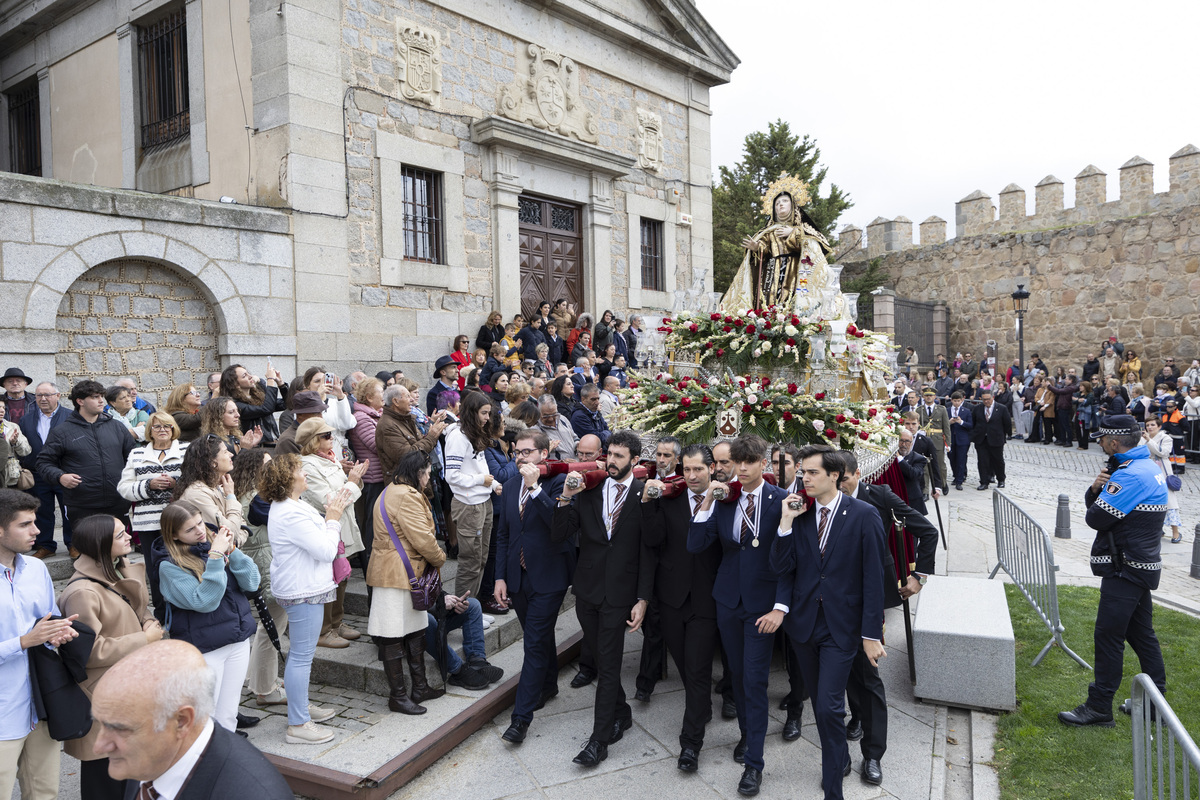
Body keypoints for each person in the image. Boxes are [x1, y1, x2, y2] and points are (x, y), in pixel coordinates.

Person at [774, 444, 885, 800]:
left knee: (827, 706)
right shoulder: (799, 513)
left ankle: (833, 791)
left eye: (811, 472)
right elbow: (780, 567)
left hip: (842, 628)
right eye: (803, 472)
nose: (803, 478)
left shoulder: (864, 515)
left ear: (834, 476)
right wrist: (786, 522)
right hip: (805, 627)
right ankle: (839, 757)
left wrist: (870, 633)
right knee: (824, 706)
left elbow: (873, 579)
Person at [688, 435, 792, 797]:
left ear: (764, 462)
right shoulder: (725, 499)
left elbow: (790, 561)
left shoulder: (781, 501)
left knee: (754, 679)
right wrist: (705, 502)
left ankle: (754, 765)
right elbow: (696, 544)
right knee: (736, 674)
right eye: (737, 462)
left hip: (763, 606)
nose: (743, 468)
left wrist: (781, 606)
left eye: (750, 461)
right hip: (729, 600)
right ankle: (749, 735)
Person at [835, 451, 937, 787]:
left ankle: (873, 755)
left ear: (858, 473)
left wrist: (918, 575)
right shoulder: (821, 500)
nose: (839, 486)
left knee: (869, 674)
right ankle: (858, 715)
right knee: (847, 668)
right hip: (836, 601)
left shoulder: (878, 496)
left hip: (871, 601)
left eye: (845, 479)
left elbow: (927, 530)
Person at [1059, 416, 1168, 729]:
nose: (1099, 443)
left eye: (1103, 438)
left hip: (1126, 568)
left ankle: (1099, 707)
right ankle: (1154, 703)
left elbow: (1097, 518)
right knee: (1141, 634)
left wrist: (1097, 491)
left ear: (1115, 443)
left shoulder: (1131, 474)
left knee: (1108, 636)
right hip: (1139, 565)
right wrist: (1098, 489)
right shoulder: (1146, 465)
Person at [553, 430, 651, 767]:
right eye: (609, 454)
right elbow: (561, 533)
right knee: (601, 657)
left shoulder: (643, 495)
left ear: (635, 461)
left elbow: (649, 553)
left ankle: (599, 740)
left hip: (620, 594)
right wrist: (566, 496)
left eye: (620, 456)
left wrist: (642, 599)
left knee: (608, 667)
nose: (611, 461)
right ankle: (621, 713)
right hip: (588, 589)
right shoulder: (591, 491)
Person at [89, 640, 294, 799]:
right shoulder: (149, 756)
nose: (98, 747)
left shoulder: (253, 794)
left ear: (181, 721)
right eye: (100, 723)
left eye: (119, 729)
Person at [58, 514, 161, 800]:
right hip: (103, 697)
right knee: (104, 779)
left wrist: (149, 621)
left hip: (127, 689)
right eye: (119, 535)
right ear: (100, 545)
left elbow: (135, 609)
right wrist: (145, 638)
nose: (129, 536)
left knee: (131, 774)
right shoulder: (82, 592)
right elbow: (89, 651)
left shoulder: (118, 570)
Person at [638, 443, 721, 771]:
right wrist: (646, 503)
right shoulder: (670, 500)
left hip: (708, 599)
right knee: (687, 667)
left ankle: (691, 744)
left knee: (699, 669)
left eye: (698, 469)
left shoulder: (723, 502)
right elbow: (653, 540)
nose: (692, 475)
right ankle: (702, 709)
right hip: (671, 598)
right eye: (686, 469)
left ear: (712, 468)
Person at [259, 454, 347, 743]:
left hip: (304, 587)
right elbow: (325, 550)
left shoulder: (292, 506)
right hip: (303, 590)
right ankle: (298, 724)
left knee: (301, 656)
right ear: (287, 479)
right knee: (301, 657)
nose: (304, 473)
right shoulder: (290, 511)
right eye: (299, 470)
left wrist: (328, 518)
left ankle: (301, 705)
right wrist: (333, 519)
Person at [493, 429, 572, 743]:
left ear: (543, 454)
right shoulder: (510, 486)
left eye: (527, 452)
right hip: (517, 578)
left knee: (534, 644)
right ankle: (549, 685)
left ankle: (520, 719)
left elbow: (558, 525)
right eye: (518, 452)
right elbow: (503, 535)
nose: (521, 457)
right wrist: (500, 577)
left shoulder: (559, 483)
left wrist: (535, 487)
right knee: (538, 638)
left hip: (549, 578)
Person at [0, 489, 79, 800]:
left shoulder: (35, 569)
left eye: (35, 522)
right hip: (3, 711)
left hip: (40, 701)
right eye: (25, 525)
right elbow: (28, 638)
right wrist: (22, 642)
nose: (37, 531)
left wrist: (59, 633)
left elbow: (48, 620)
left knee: (44, 792)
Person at [155, 500, 259, 734]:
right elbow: (204, 601)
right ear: (174, 536)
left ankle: (226, 758)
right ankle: (202, 763)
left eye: (200, 523)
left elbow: (252, 582)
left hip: (237, 638)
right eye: (190, 529)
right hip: (205, 648)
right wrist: (215, 558)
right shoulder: (169, 566)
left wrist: (232, 550)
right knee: (205, 716)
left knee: (229, 713)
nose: (200, 531)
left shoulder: (215, 546)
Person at [369, 450, 448, 715]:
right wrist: (440, 558)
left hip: (397, 571)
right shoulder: (406, 496)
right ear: (418, 473)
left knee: (414, 631)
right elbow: (423, 539)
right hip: (397, 573)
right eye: (427, 473)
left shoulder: (392, 490)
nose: (429, 479)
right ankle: (398, 696)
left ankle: (420, 687)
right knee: (393, 637)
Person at [296, 418, 367, 648]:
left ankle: (337, 624)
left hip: (342, 528)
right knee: (329, 580)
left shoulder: (328, 459)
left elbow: (345, 491)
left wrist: (353, 479)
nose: (332, 439)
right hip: (326, 530)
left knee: (342, 577)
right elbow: (332, 501)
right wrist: (353, 481)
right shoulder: (307, 465)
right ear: (313, 441)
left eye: (331, 434)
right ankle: (323, 631)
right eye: (327, 436)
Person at [723, 175, 834, 315]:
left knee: (792, 298)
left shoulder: (803, 228)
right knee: (770, 298)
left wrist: (794, 232)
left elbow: (812, 247)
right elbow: (765, 247)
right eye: (777, 203)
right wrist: (756, 248)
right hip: (771, 272)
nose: (780, 204)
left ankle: (794, 323)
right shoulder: (769, 231)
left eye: (785, 201)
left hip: (795, 270)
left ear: (793, 206)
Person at [230, 449, 288, 709]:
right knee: (271, 626)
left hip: (260, 563)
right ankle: (265, 689)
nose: (271, 468)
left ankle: (260, 679)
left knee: (270, 624)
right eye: (266, 465)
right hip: (264, 566)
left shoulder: (241, 495)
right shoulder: (256, 499)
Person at [35, 379, 135, 531]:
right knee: (90, 549)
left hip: (118, 500)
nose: (101, 401)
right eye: (95, 397)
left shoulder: (117, 427)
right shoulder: (62, 432)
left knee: (116, 548)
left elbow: (133, 458)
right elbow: (43, 463)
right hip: (82, 504)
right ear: (80, 401)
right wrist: (60, 477)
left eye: (102, 396)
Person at [118, 412, 186, 613]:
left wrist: (177, 484)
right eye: (157, 427)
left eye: (167, 426)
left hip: (180, 520)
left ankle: (183, 607)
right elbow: (124, 488)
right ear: (150, 431)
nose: (163, 430)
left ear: (174, 429)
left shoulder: (186, 449)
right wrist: (149, 485)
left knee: (181, 563)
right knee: (156, 567)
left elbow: (196, 481)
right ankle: (162, 610)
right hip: (149, 523)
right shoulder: (137, 454)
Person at [444, 392, 500, 602]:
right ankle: (463, 611)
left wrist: (493, 484)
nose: (487, 418)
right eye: (484, 413)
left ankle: (472, 607)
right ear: (472, 412)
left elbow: (480, 465)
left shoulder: (474, 433)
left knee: (481, 558)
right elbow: (452, 475)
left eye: (488, 413)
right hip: (469, 505)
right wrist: (481, 480)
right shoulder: (458, 437)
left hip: (483, 501)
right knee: (470, 561)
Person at [19, 382, 72, 558]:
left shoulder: (71, 417)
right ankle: (46, 545)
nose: (42, 398)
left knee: (69, 509)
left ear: (57, 395)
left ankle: (73, 543)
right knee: (42, 510)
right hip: (38, 473)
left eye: (47, 395)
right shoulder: (26, 419)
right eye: (39, 395)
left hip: (63, 472)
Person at [348, 377, 387, 572]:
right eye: (382, 392)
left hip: (380, 476)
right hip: (372, 478)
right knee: (371, 526)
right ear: (370, 397)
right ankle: (370, 567)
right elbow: (377, 445)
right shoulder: (362, 418)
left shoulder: (376, 415)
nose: (385, 396)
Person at [173, 435, 245, 536]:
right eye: (225, 452)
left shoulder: (219, 486)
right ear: (212, 462)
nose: (231, 454)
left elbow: (243, 526)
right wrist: (231, 497)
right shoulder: (197, 493)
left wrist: (235, 543)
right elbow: (230, 532)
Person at [375, 384, 446, 478]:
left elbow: (419, 443)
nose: (412, 399)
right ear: (396, 401)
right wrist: (431, 438)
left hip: (417, 478)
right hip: (404, 482)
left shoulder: (407, 418)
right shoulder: (387, 426)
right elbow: (408, 456)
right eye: (407, 396)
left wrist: (430, 434)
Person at [219, 364, 286, 445]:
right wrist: (270, 380)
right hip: (256, 448)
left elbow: (285, 404)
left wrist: (281, 384)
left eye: (248, 373)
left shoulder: (257, 397)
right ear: (236, 385)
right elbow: (266, 409)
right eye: (244, 376)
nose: (250, 376)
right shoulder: (236, 405)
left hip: (274, 443)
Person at [1143, 417, 1183, 544]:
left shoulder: (1166, 438)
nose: (1150, 427)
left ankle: (1175, 531)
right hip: (1149, 472)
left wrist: (1149, 441)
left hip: (1163, 472)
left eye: (1152, 425)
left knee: (1170, 502)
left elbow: (1164, 453)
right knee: (1151, 500)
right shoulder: (1143, 438)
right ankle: (1157, 529)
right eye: (1148, 425)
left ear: (1159, 426)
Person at [972, 390, 1012, 490]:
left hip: (996, 439)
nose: (986, 401)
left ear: (992, 398)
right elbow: (973, 423)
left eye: (988, 399)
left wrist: (1005, 435)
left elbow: (1007, 423)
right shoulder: (977, 408)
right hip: (981, 439)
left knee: (998, 461)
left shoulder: (1001, 408)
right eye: (984, 400)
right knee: (982, 461)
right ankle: (984, 482)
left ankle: (1001, 479)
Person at [536, 395, 577, 461]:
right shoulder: (535, 430)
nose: (551, 419)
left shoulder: (563, 419)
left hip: (575, 464)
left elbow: (574, 437)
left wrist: (578, 445)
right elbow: (535, 458)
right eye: (546, 416)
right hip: (557, 469)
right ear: (538, 412)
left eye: (554, 414)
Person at [946, 391, 974, 490]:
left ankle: (959, 480)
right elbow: (942, 425)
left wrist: (961, 421)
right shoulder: (947, 410)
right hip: (950, 439)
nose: (957, 403)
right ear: (951, 400)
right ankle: (955, 475)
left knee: (961, 460)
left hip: (962, 439)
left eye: (958, 401)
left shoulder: (966, 411)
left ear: (962, 400)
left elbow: (970, 425)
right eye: (955, 401)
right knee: (952, 458)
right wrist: (949, 422)